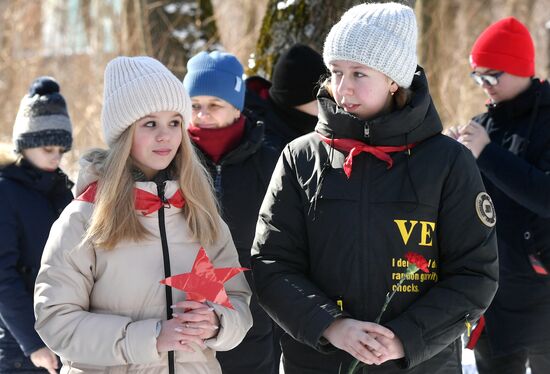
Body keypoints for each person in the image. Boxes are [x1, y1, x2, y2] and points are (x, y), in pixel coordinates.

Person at [251, 3, 499, 373]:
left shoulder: (447, 162)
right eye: (335, 72)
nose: (343, 87)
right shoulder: (300, 157)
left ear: (393, 79)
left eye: (359, 73)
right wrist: (330, 325)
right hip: (321, 362)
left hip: (421, 365)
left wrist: (406, 338)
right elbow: (271, 262)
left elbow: (475, 274)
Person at [33, 56, 252, 374]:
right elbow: (56, 320)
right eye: (150, 124)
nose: (165, 136)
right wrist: (150, 339)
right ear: (123, 133)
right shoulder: (83, 218)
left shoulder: (201, 213)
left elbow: (239, 304)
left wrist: (217, 322)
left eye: (175, 122)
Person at [445, 17, 550, 374]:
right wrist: (449, 158)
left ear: (520, 69)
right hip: (493, 292)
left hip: (543, 294)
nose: (483, 86)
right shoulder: (484, 125)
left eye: (492, 76)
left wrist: (487, 154)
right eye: (477, 77)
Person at [183, 51, 280, 374]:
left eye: (214, 105)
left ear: (236, 106)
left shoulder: (269, 160)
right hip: (183, 306)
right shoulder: (173, 158)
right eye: (195, 105)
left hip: (252, 309)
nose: (202, 114)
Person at [0, 77, 73, 374]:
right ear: (26, 144)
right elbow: (2, 276)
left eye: (61, 149)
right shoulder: (5, 192)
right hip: (22, 348)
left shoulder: (61, 190)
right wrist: (33, 344)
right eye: (47, 149)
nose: (55, 157)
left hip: (64, 336)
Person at [245, 43, 328, 152]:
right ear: (294, 102)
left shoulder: (289, 124)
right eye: (320, 101)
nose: (329, 106)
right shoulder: (268, 148)